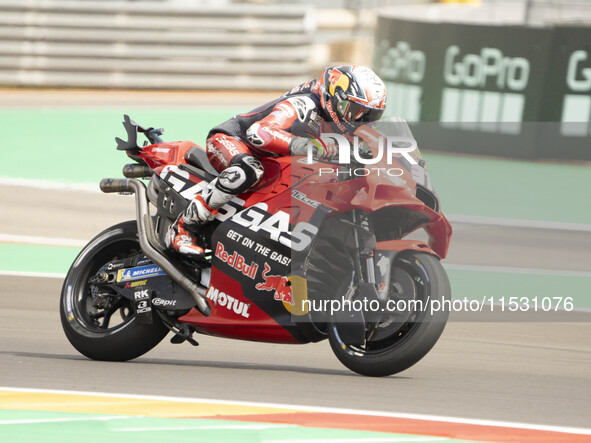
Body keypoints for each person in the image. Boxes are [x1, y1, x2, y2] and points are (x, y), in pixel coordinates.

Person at [167, 65, 387, 256]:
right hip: (231, 140)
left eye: (368, 116)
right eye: (356, 112)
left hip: (269, 159)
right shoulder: (305, 103)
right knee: (247, 170)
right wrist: (310, 146)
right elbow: (259, 132)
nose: (359, 121)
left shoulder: (340, 121)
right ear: (336, 97)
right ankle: (184, 227)